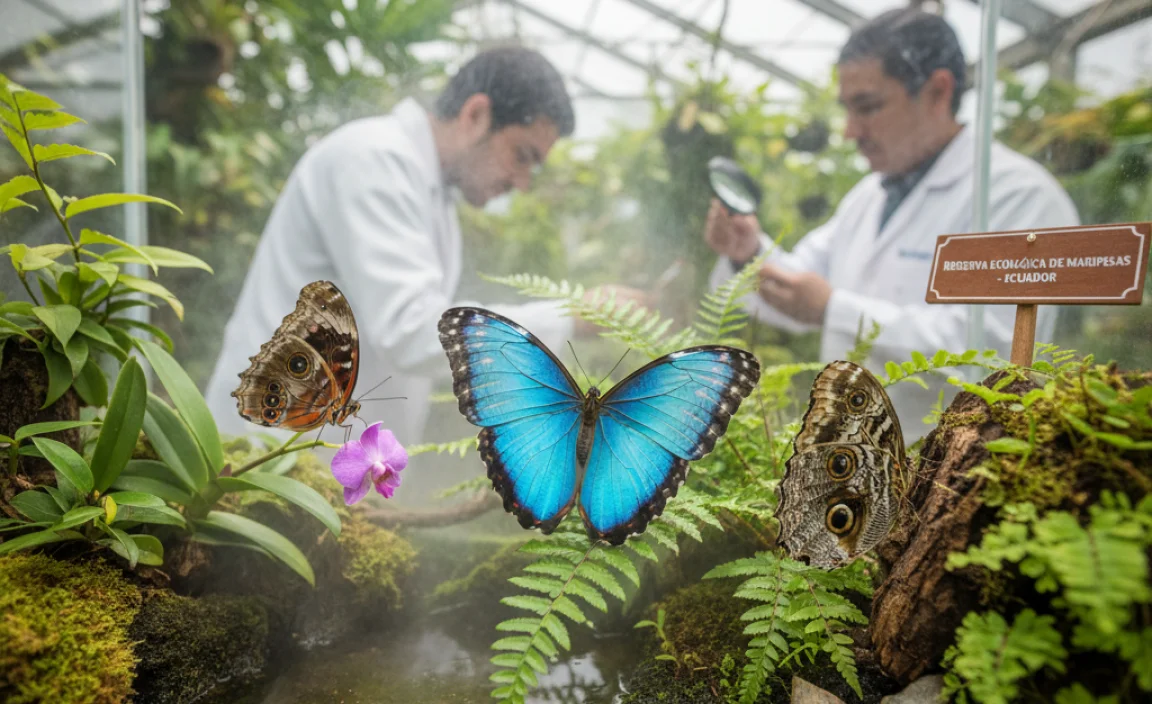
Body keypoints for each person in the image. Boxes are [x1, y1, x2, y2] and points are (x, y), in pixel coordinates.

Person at [205, 46, 645, 443]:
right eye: (522, 155)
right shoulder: (374, 159)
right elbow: (410, 332)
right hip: (264, 458)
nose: (523, 182)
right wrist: (571, 317)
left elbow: (420, 344)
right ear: (476, 115)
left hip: (323, 465)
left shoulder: (433, 194)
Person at [704, 8, 1079, 439]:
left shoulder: (1018, 196)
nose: (850, 131)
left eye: (867, 107)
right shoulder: (869, 195)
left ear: (937, 91)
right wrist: (747, 254)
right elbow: (800, 284)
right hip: (846, 455)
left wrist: (835, 310)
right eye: (847, 109)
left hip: (950, 463)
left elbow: (995, 350)